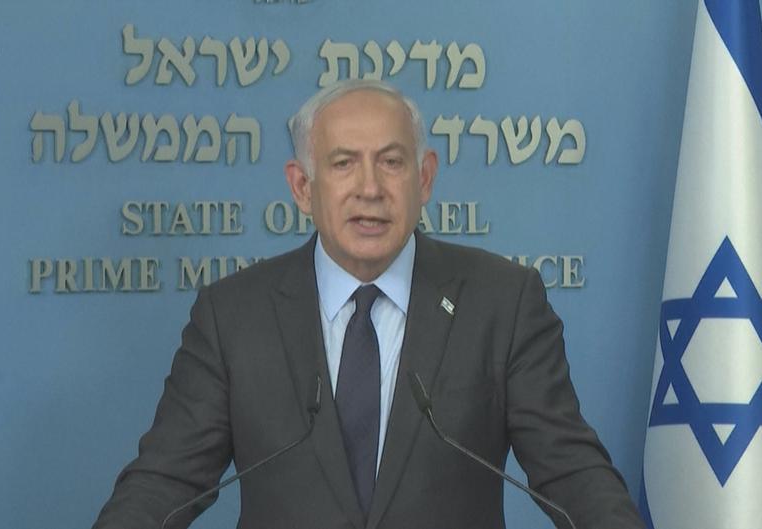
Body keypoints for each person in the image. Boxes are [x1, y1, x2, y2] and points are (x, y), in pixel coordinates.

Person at [92, 79, 644, 529]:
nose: (370, 188)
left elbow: (572, 473)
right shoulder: (233, 316)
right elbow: (165, 482)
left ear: (424, 178)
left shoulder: (502, 303)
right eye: (343, 164)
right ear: (302, 187)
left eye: (391, 162)